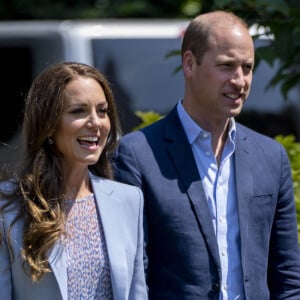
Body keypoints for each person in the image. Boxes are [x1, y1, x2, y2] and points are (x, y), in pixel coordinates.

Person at [113, 11, 300, 300]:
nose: (240, 81)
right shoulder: (138, 154)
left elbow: (288, 278)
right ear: (189, 63)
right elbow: (133, 278)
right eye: (226, 66)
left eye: (247, 68)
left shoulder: (271, 157)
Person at [0, 62, 148, 300]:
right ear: (48, 124)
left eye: (102, 110)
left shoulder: (129, 200)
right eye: (78, 111)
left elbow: (136, 293)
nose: (96, 122)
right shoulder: (7, 206)